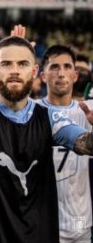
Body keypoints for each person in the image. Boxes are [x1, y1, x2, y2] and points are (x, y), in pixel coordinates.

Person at [0, 5, 93, 242]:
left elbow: (85, 144)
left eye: (22, 64)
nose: (14, 71)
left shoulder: (49, 117)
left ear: (34, 72)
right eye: (6, 64)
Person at [37, 45, 91, 242]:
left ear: (75, 75)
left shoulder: (88, 111)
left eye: (67, 67)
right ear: (43, 76)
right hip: (41, 220)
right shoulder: (30, 110)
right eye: (54, 67)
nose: (61, 73)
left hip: (79, 222)